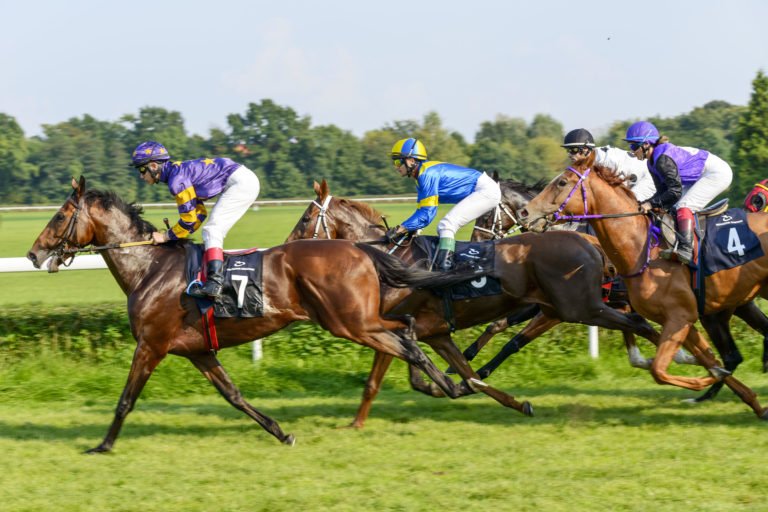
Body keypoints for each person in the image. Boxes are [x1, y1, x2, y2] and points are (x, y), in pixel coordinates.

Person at [130, 141, 260, 299]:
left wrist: (165, 236)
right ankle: (212, 273)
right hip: (241, 178)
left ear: (154, 166)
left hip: (242, 183)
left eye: (142, 169)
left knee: (212, 230)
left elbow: (189, 220)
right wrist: (176, 234)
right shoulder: (176, 173)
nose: (141, 176)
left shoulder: (176, 181)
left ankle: (215, 283)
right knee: (210, 231)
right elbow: (199, 213)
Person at [623, 121, 733, 265]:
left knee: (684, 206)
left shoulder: (662, 160)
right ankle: (678, 244)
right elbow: (662, 192)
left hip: (716, 173)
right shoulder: (651, 162)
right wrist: (643, 204)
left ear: (646, 144)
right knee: (675, 207)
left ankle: (686, 249)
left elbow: (674, 192)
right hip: (700, 174)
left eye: (633, 146)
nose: (631, 150)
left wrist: (650, 204)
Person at [387, 138, 501, 270]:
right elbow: (421, 210)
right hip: (483, 189)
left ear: (412, 161)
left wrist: (400, 229)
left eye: (398, 161)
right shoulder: (420, 175)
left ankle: (445, 268)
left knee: (447, 224)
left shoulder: (427, 175)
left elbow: (426, 215)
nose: (396, 166)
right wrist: (408, 229)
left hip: (486, 191)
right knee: (444, 225)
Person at [561, 128, 656, 203]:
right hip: (631, 182)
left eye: (573, 150)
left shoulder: (606, 161)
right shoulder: (587, 164)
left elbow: (616, 193)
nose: (569, 154)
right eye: (568, 150)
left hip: (649, 178)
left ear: (585, 149)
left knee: (622, 205)